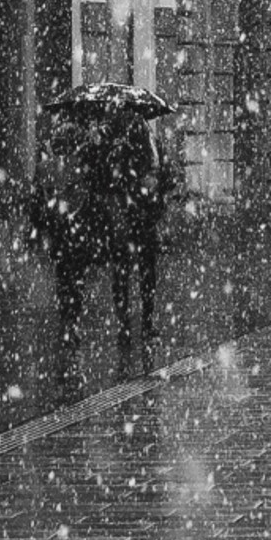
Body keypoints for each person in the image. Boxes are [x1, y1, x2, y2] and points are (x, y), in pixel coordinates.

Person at [98, 97, 166, 366]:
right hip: (138, 210)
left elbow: (102, 173)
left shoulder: (109, 133)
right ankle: (145, 323)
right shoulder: (140, 132)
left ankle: (126, 322)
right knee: (144, 268)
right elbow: (157, 168)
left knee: (122, 268)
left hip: (123, 212)